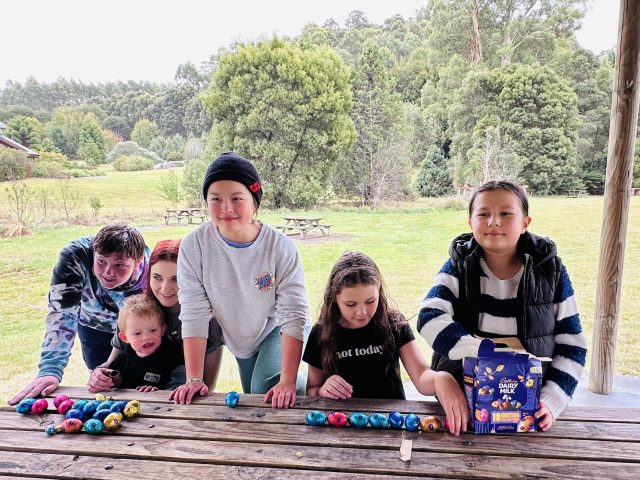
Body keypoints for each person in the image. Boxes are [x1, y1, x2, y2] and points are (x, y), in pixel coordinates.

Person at [417, 180, 587, 431]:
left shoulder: (551, 271)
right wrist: (479, 351)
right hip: (465, 401)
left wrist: (552, 399)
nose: (494, 221)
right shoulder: (458, 266)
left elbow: (573, 345)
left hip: (529, 406)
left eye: (506, 213)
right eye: (483, 214)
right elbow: (429, 316)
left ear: (526, 222)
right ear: (470, 222)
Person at [172, 151, 309, 408]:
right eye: (215, 199)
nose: (226, 208)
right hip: (239, 336)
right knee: (255, 399)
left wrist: (288, 381)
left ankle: (313, 385)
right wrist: (193, 379)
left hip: (277, 327)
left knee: (266, 389)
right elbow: (194, 312)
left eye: (237, 198)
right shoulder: (194, 246)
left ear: (255, 202)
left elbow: (293, 314)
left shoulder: (280, 247)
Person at [303, 251, 469, 435]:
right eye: (350, 304)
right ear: (335, 299)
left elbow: (421, 375)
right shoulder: (321, 333)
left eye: (370, 301)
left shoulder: (394, 324)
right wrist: (323, 390)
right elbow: (311, 389)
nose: (362, 312)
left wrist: (440, 378)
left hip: (392, 425)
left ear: (379, 291)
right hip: (342, 429)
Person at [8, 223, 149, 405]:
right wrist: (50, 370)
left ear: (138, 261)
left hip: (138, 332)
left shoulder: (151, 269)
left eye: (119, 265)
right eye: (101, 261)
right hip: (94, 327)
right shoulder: (75, 257)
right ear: (93, 253)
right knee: (102, 385)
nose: (108, 272)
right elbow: (62, 314)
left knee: (138, 385)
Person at [87, 240, 224, 392]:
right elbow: (111, 365)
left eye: (176, 279)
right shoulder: (136, 312)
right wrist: (99, 375)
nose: (165, 288)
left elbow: (207, 386)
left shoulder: (207, 321)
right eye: (157, 277)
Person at [102, 294, 183, 391]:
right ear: (124, 337)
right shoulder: (121, 361)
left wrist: (157, 393)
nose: (146, 337)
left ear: (162, 330)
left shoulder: (173, 358)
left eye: (153, 330)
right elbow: (109, 388)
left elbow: (178, 388)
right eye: (137, 333)